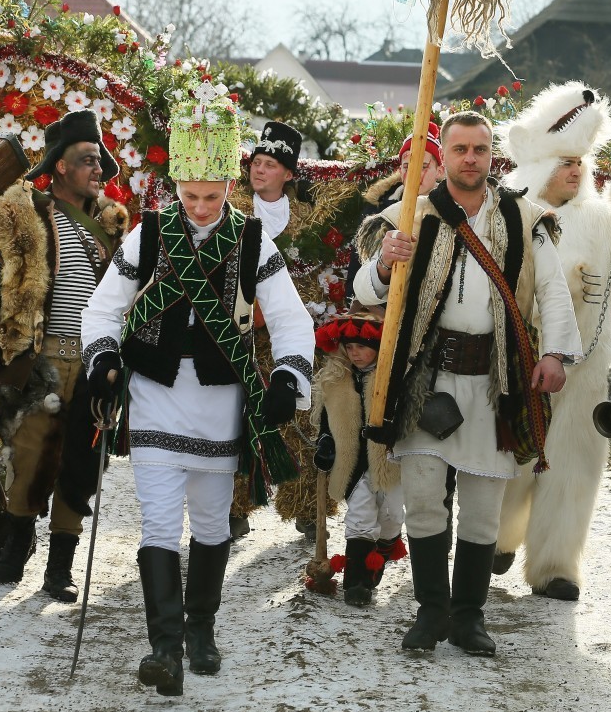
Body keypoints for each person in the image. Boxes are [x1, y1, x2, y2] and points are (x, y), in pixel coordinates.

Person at [81, 88, 314, 696]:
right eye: (191, 197)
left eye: (213, 196)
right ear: (176, 189)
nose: (203, 207)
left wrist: (289, 373)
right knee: (158, 521)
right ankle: (163, 648)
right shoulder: (149, 235)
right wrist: (102, 353)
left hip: (221, 397)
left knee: (212, 520)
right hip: (156, 388)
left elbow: (290, 318)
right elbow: (104, 307)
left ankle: (201, 629)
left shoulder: (254, 241)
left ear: (228, 189)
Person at [353, 110, 581, 657]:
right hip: (427, 380)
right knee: (426, 499)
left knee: (483, 507)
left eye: (480, 149)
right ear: (445, 155)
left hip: (494, 378)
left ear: (490, 156)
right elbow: (364, 288)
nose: (471, 158)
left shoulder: (522, 216)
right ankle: (431, 612)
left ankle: (469, 617)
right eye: (460, 150)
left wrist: (553, 353)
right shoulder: (411, 214)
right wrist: (386, 265)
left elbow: (551, 288)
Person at [492, 82, 611, 600]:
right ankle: (499, 537)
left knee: (575, 462)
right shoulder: (510, 210)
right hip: (522, 356)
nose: (576, 170)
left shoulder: (599, 216)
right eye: (565, 160)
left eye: (580, 161)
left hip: (588, 361)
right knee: (513, 456)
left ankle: (555, 565)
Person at [0, 109, 128, 602]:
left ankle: (60, 566)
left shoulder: (112, 227)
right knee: (28, 455)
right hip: (42, 361)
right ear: (60, 168)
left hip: (94, 362)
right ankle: (17, 540)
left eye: (100, 160)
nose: (98, 169)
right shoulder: (24, 219)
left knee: (82, 461)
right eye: (87, 160)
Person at [228, 120, 335, 538]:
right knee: (236, 420)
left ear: (289, 174)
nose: (259, 170)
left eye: (270, 164)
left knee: (301, 422)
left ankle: (308, 507)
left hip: (287, 336)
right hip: (237, 335)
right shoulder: (230, 207)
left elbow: (313, 276)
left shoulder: (308, 220)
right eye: (256, 161)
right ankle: (235, 506)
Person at [310, 309, 407, 608]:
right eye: (349, 348)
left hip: (390, 460)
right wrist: (325, 442)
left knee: (391, 516)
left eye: (362, 347)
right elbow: (326, 422)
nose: (355, 354)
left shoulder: (395, 378)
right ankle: (357, 583)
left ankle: (385, 548)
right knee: (360, 517)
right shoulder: (336, 380)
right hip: (353, 463)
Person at [344, 124, 445, 302]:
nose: (413, 173)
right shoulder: (379, 212)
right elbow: (356, 281)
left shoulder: (451, 210)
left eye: (422, 166)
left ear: (440, 171)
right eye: (407, 166)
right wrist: (384, 264)